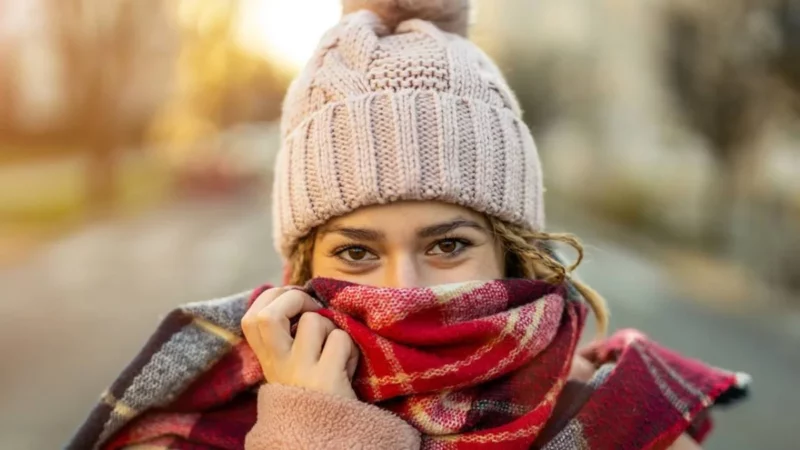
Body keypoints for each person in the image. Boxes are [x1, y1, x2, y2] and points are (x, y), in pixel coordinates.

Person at [68, 1, 748, 449]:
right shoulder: (198, 423)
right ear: (304, 272)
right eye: (357, 253)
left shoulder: (631, 427)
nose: (403, 290)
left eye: (448, 244)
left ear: (512, 255)